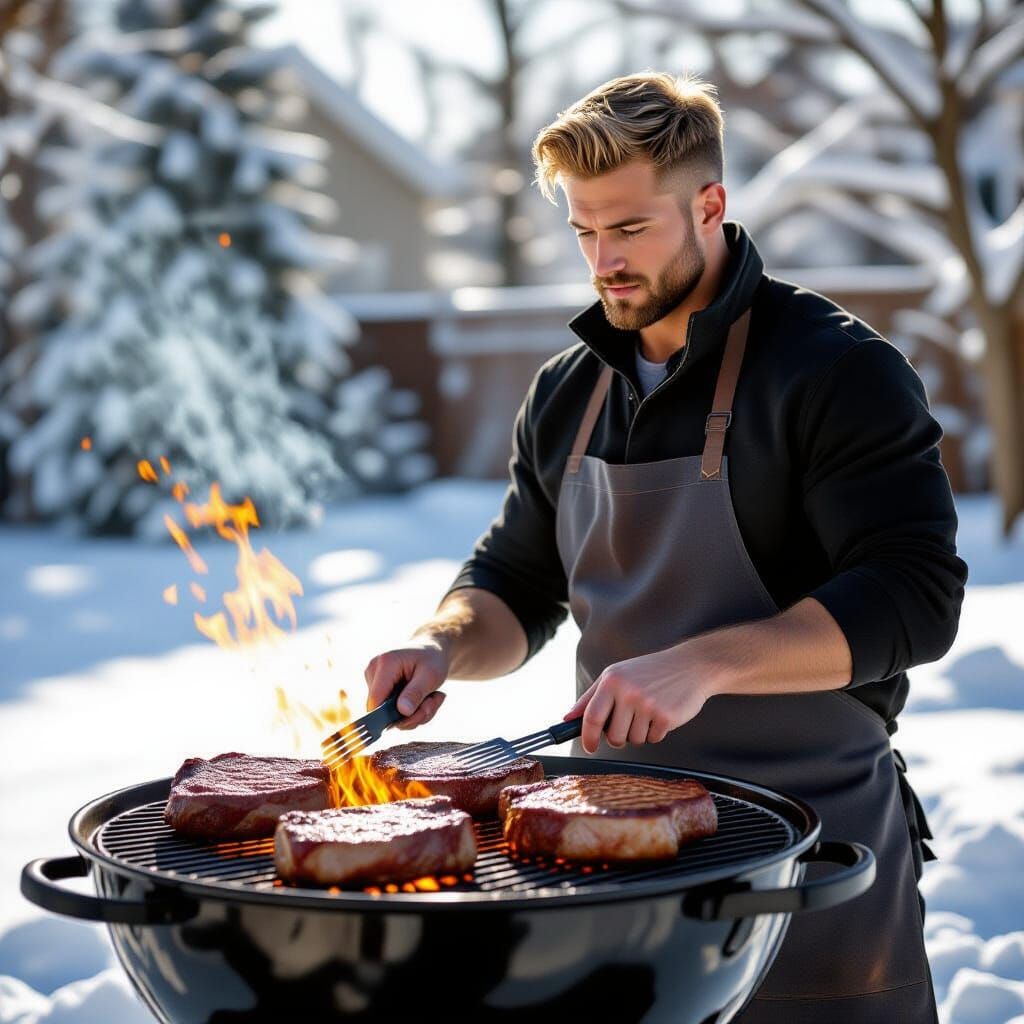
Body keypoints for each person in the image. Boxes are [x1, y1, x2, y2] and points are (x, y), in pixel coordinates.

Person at [364, 72, 967, 1022]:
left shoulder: (837, 370)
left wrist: (702, 665)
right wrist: (439, 644)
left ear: (710, 206)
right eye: (584, 232)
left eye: (630, 228)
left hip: (812, 856)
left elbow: (915, 596)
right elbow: (516, 580)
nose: (603, 262)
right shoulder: (567, 392)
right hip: (608, 857)